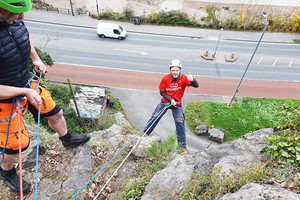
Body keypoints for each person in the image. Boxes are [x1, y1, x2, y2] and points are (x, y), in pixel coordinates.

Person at [0, 0, 91, 194]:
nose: (22, 17)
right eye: (17, 14)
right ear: (1, 11)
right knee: (17, 143)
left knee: (54, 112)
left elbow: (24, 38)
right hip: (5, 98)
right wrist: (25, 92)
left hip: (25, 81)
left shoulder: (15, 22)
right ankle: (7, 171)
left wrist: (36, 58)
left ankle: (66, 138)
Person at [143, 59, 199, 155]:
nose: (175, 72)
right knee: (155, 117)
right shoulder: (165, 78)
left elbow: (196, 85)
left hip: (177, 104)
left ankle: (182, 147)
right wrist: (170, 100)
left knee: (180, 123)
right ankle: (144, 134)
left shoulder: (184, 78)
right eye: (173, 70)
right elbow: (162, 92)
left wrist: (193, 79)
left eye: (177, 70)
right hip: (166, 102)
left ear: (180, 70)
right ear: (170, 70)